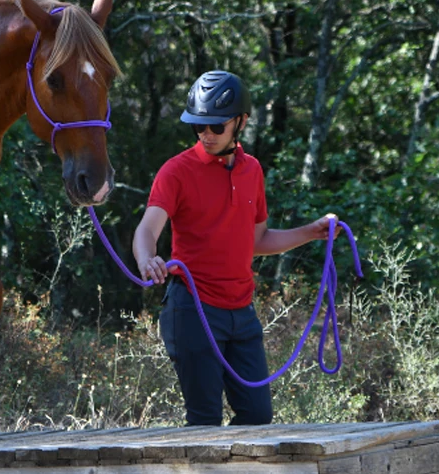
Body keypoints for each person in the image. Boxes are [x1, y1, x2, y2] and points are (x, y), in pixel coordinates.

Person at [132, 70, 341, 426]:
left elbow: (257, 241)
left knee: (258, 417)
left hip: (242, 312)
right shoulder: (176, 171)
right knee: (204, 423)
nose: (206, 134)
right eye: (199, 126)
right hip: (193, 311)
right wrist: (146, 258)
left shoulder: (252, 171)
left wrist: (313, 231)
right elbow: (147, 228)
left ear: (240, 121)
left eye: (216, 126)